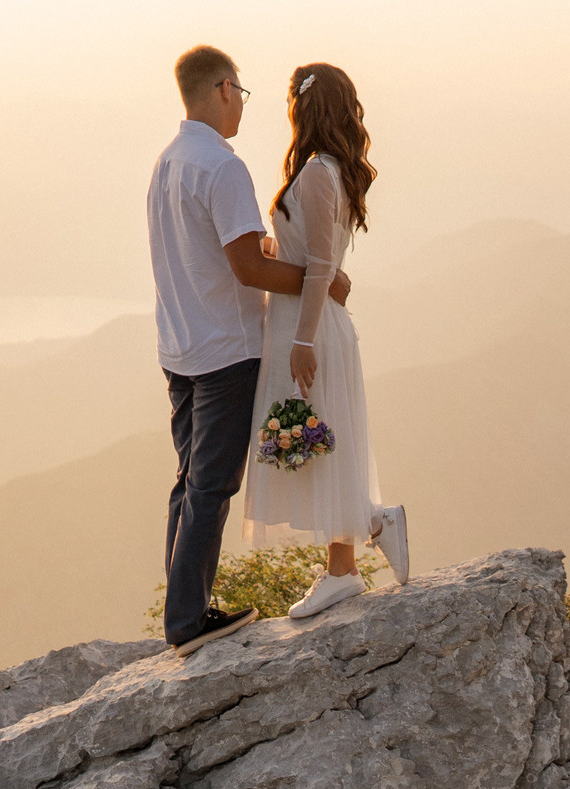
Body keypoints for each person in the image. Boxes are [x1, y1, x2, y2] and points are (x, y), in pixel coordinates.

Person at [148, 45, 348, 655]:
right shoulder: (223, 167)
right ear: (224, 89)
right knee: (211, 487)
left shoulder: (168, 161)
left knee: (188, 483)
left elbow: (217, 252)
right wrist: (325, 282)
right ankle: (186, 622)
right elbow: (247, 268)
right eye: (241, 94)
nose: (242, 107)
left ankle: (187, 607)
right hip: (224, 350)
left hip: (179, 344)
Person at [245, 63, 408, 617]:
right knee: (322, 439)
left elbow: (319, 266)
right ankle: (360, 541)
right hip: (307, 323)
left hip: (308, 327)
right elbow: (318, 260)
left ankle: (345, 565)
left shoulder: (316, 171)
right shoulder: (328, 171)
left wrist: (303, 341)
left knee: (322, 438)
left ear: (305, 105)